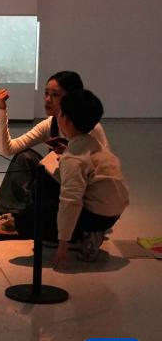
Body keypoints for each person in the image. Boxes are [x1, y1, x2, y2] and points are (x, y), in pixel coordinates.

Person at [0, 71, 109, 238]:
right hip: (61, 183)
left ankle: (22, 222)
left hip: (81, 193)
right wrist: (1, 109)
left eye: (55, 95)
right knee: (24, 158)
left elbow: (102, 173)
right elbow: (8, 149)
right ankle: (14, 217)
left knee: (45, 177)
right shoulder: (51, 124)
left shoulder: (90, 128)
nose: (48, 99)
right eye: (46, 93)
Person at [52, 89, 128, 267]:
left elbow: (71, 200)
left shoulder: (73, 157)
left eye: (60, 112)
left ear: (66, 120)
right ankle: (90, 232)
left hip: (96, 216)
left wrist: (62, 245)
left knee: (35, 209)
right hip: (113, 214)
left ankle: (82, 235)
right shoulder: (94, 144)